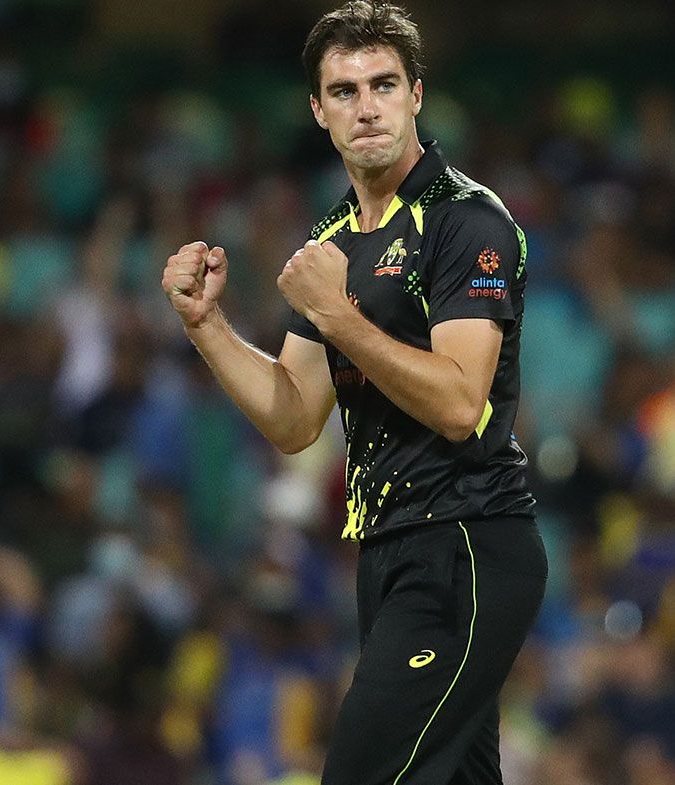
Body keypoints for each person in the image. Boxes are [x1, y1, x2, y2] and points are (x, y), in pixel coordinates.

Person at [160, 3, 546, 783]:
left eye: (383, 85)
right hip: (389, 551)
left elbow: (458, 404)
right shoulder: (334, 240)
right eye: (344, 91)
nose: (366, 106)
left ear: (415, 95)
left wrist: (338, 311)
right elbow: (296, 418)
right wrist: (207, 326)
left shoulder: (467, 222)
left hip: (465, 541)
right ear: (317, 110)